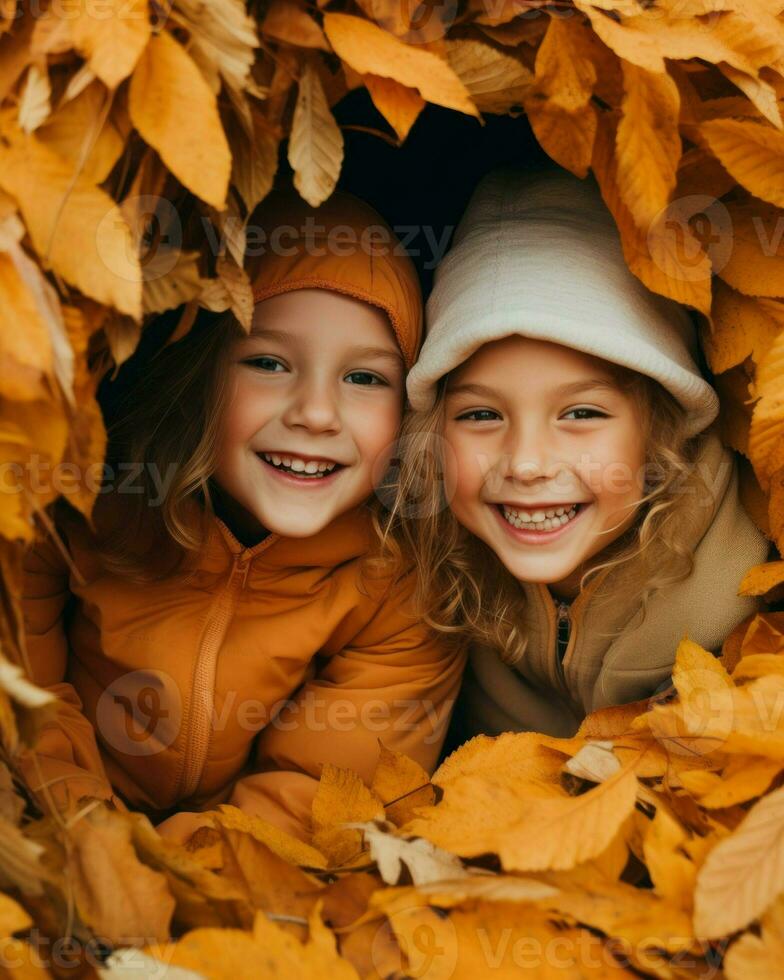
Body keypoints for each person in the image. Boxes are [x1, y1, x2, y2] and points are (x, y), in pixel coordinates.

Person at [16, 187, 465, 841]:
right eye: (268, 363)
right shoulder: (86, 499)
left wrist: (175, 872)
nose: (316, 412)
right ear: (202, 376)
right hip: (56, 831)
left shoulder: (397, 583)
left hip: (240, 876)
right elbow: (24, 698)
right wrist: (96, 845)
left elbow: (320, 794)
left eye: (364, 378)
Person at [389, 167, 774, 739]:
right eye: (481, 415)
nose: (525, 463)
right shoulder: (433, 569)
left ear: (662, 429)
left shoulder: (748, 573)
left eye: (581, 414)